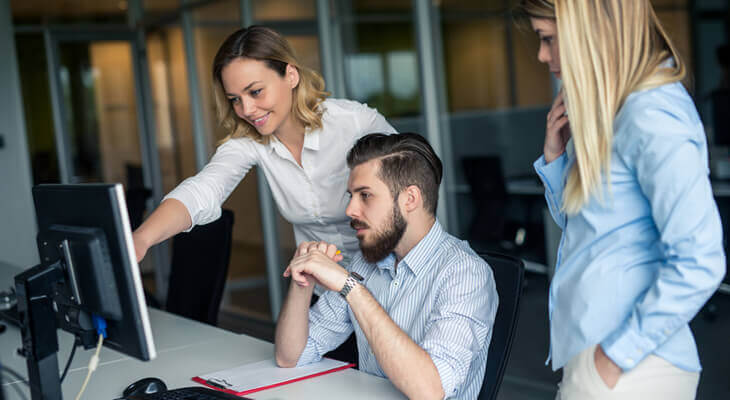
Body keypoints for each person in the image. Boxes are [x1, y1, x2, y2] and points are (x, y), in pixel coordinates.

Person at [516, 1, 726, 399]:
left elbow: (701, 260)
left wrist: (611, 359)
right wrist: (556, 159)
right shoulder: (613, 109)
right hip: (598, 357)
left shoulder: (652, 112)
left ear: (591, 31)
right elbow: (587, 229)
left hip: (629, 367)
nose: (542, 55)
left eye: (549, 39)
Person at [132, 26, 396, 268]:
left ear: (291, 75)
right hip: (324, 289)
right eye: (235, 99)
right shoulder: (249, 141)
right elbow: (202, 191)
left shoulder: (355, 122)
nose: (246, 109)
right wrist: (141, 239)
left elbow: (414, 183)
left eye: (256, 91)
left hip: (389, 277)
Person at [274, 133, 498, 400]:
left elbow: (429, 390)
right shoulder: (366, 263)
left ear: (410, 199)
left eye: (365, 195)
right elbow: (290, 356)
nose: (350, 210)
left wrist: (350, 288)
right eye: (352, 196)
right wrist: (303, 280)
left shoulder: (466, 273)